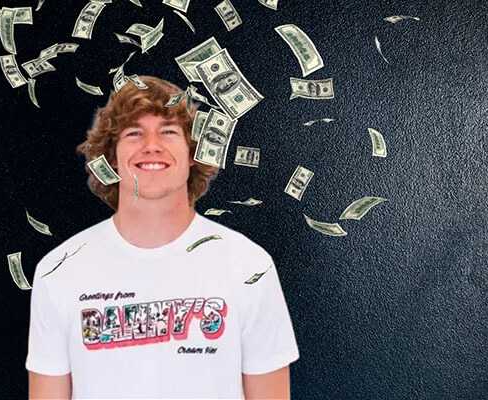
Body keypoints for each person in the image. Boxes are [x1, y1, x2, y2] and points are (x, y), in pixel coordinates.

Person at [26, 75, 299, 399]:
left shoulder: (250, 267)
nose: (151, 145)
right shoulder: (59, 270)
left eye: (168, 132)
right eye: (134, 133)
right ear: (110, 159)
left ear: (193, 153)